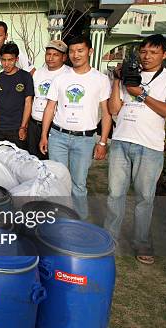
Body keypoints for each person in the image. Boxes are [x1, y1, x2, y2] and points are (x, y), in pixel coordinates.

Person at [105, 34, 166, 265]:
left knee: (145, 198)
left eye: (153, 52)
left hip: (149, 146)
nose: (147, 56)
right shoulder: (130, 74)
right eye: (144, 51)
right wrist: (118, 81)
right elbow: (114, 109)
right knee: (114, 195)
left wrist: (142, 93)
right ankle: (110, 239)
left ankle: (141, 242)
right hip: (120, 142)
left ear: (164, 54)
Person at [39, 35, 112, 219]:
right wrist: (44, 135)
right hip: (58, 137)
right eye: (72, 51)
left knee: (79, 185)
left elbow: (106, 113)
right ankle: (57, 221)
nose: (75, 55)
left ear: (90, 51)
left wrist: (102, 142)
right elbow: (50, 108)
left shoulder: (101, 79)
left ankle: (79, 223)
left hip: (85, 140)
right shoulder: (60, 78)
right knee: (57, 182)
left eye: (80, 50)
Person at [29, 40, 70, 159]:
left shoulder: (68, 74)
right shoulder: (38, 73)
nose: (50, 58)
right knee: (33, 160)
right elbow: (32, 98)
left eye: (55, 55)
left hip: (54, 127)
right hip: (34, 125)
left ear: (64, 57)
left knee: (51, 162)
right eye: (48, 54)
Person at [0, 43, 34, 149]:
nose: (6, 64)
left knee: (18, 161)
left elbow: (28, 103)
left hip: (17, 128)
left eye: (10, 60)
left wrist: (23, 127)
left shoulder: (25, 77)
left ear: (16, 59)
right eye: (3, 60)